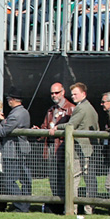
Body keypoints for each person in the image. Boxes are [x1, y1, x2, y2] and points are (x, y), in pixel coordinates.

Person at [58, 82, 99, 215]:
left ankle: (72, 209)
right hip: (89, 149)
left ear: (83, 94)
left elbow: (71, 125)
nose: (73, 96)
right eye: (72, 94)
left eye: (75, 94)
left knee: (74, 179)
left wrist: (55, 127)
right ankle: (89, 208)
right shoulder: (90, 108)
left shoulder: (81, 108)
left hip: (80, 149)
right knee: (90, 179)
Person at [0, 92, 32, 212]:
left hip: (12, 152)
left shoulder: (15, 114)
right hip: (20, 152)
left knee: (9, 181)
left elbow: (3, 132)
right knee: (25, 180)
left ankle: (21, 206)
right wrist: (3, 120)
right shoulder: (23, 112)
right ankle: (23, 205)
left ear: (12, 100)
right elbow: (10, 126)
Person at [39, 82, 74, 211]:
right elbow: (45, 127)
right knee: (53, 179)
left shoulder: (71, 109)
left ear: (63, 92)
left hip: (64, 150)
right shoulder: (50, 110)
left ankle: (67, 206)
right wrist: (39, 130)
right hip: (51, 150)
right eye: (52, 93)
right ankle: (57, 205)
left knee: (65, 179)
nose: (54, 95)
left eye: (57, 92)